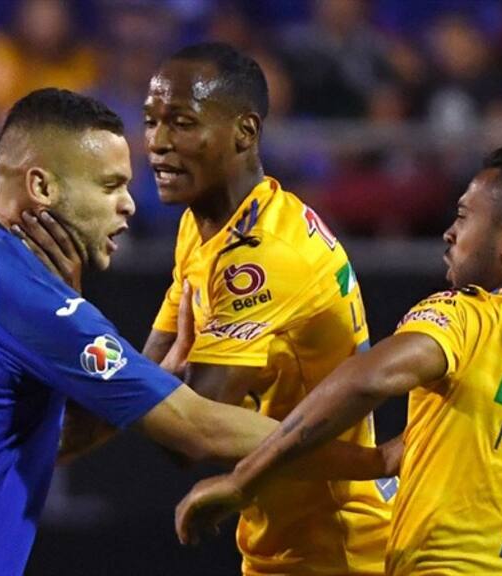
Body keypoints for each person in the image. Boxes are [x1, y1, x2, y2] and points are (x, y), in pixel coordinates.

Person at [0, 88, 391, 576]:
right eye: (109, 186)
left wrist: (145, 378)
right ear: (43, 188)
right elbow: (196, 427)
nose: (129, 205)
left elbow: (35, 444)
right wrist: (375, 461)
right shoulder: (32, 304)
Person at [176, 144, 502, 576]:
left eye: (465, 216)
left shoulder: (472, 317)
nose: (449, 232)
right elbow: (405, 457)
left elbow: (368, 381)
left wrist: (244, 479)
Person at [141, 42, 393, 575]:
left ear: (245, 132)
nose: (158, 143)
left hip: (341, 545)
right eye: (151, 121)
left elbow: (188, 434)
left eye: (182, 123)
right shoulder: (203, 225)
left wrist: (160, 385)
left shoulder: (264, 257)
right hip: (276, 539)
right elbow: (152, 379)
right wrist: (161, 385)